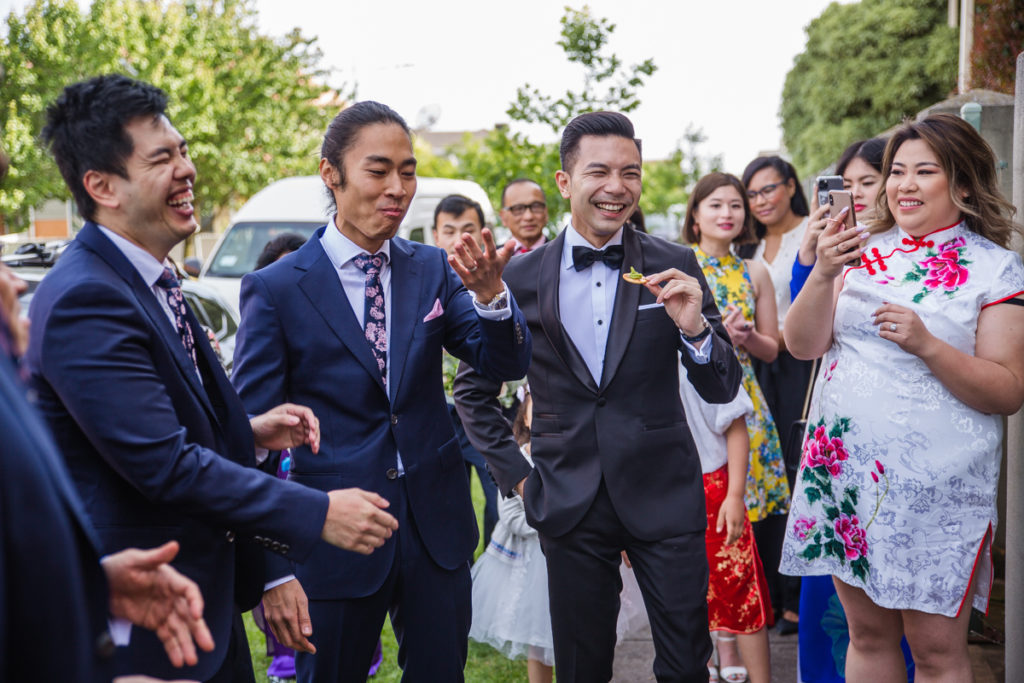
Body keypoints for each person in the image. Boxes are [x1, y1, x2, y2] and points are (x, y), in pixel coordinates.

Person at [29, 74, 399, 682]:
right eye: (161, 159)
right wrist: (315, 511)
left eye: (182, 151)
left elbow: (164, 423)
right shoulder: (86, 299)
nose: (187, 170)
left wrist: (250, 432)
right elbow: (165, 464)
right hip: (146, 621)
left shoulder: (153, 279)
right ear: (102, 186)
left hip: (207, 600)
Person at [231, 100, 532, 682]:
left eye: (409, 170)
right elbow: (255, 441)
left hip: (436, 527)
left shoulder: (432, 268)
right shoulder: (275, 290)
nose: (398, 188)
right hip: (334, 533)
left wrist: (494, 299)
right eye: (378, 170)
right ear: (331, 174)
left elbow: (505, 358)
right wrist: (273, 567)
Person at [455, 110, 743, 682]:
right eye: (600, 171)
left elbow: (722, 385)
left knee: (686, 663)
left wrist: (695, 331)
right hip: (567, 498)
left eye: (630, 172)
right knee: (582, 668)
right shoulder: (520, 276)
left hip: (663, 491)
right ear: (565, 182)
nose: (617, 187)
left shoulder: (675, 263)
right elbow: (472, 391)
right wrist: (518, 477)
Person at [780, 113, 1024, 682]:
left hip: (938, 488)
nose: (903, 185)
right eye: (896, 171)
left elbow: (1008, 390)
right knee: (866, 636)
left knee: (937, 653)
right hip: (845, 475)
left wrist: (928, 345)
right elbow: (803, 345)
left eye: (924, 171)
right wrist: (821, 274)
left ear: (962, 183)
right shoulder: (858, 249)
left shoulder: (997, 269)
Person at [682, 172, 789, 527]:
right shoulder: (679, 264)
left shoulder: (754, 271)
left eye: (735, 205)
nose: (727, 212)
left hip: (745, 398)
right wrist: (712, 336)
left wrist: (744, 338)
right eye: (715, 205)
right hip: (693, 401)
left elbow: (771, 349)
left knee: (750, 525)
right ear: (695, 215)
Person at [739, 155, 811, 634]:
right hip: (758, 365)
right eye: (753, 194)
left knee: (799, 473)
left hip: (803, 367)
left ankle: (796, 601)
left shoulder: (813, 230)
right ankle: (770, 593)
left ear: (789, 186)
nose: (761, 201)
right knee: (763, 481)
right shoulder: (745, 246)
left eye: (769, 189)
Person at [677, 363, 771, 683]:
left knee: (740, 589)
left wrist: (734, 494)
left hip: (713, 486)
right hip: (664, 490)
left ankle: (760, 678)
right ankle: (701, 662)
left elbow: (735, 424)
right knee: (681, 593)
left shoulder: (703, 350)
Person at [433, 194, 501, 548]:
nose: (459, 238)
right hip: (438, 417)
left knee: (499, 506)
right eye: (450, 230)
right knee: (446, 515)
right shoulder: (422, 281)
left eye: (468, 229)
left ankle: (494, 585)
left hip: (487, 413)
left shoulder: (498, 277)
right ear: (435, 235)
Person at [790, 138, 889, 300]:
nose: (855, 193)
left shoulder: (906, 240)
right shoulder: (834, 243)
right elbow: (803, 313)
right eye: (847, 186)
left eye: (867, 182)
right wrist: (809, 245)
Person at [500, 178, 549, 253]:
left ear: (546, 212)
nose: (528, 217)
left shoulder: (563, 254)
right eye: (518, 209)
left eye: (536, 206)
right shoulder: (492, 260)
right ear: (503, 217)